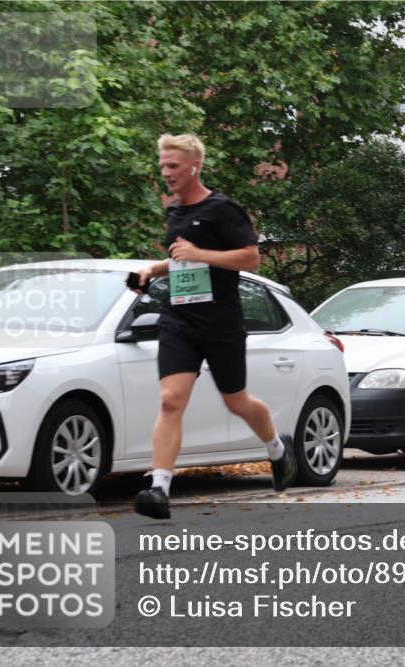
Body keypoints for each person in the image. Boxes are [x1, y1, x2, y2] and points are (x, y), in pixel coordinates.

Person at [130, 133, 296, 520]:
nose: (166, 173)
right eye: (162, 167)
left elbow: (251, 258)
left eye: (173, 166)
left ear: (194, 166)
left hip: (221, 322)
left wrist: (199, 253)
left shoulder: (224, 209)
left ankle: (277, 450)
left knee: (235, 401)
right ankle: (158, 489)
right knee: (171, 400)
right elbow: (181, 261)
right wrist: (152, 269)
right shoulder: (174, 213)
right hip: (179, 319)